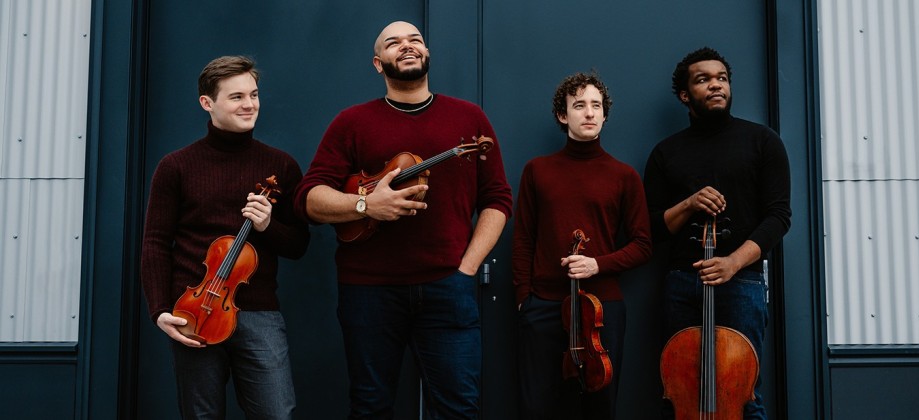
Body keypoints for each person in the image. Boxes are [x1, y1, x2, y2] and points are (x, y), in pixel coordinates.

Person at [293, 21, 512, 419]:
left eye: (415, 40)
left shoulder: (469, 118)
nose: (406, 46)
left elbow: (497, 199)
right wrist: (365, 206)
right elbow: (309, 198)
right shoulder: (352, 122)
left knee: (459, 409)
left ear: (427, 54)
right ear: (379, 64)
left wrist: (467, 267)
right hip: (368, 292)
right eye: (393, 43)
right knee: (370, 406)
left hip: (449, 286)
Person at [140, 55, 310, 419]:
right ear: (208, 102)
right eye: (236, 97)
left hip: (259, 313)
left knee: (277, 413)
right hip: (194, 312)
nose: (249, 104)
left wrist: (268, 227)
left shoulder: (280, 166)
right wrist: (159, 310)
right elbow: (155, 243)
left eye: (254, 94)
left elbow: (299, 245)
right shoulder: (176, 166)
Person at [643, 47, 792, 419]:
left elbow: (779, 217)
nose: (715, 85)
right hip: (682, 283)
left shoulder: (763, 141)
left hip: (741, 283)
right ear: (684, 94)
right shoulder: (666, 152)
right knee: (679, 392)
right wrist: (690, 203)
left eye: (722, 78)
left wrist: (732, 263)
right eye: (703, 79)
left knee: (743, 394)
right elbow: (651, 227)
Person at [512, 72, 652, 420]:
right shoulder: (538, 170)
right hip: (544, 305)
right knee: (539, 406)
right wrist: (523, 299)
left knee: (598, 406)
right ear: (563, 115)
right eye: (579, 105)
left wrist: (597, 265)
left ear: (604, 115)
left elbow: (643, 244)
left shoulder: (624, 176)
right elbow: (523, 237)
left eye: (596, 106)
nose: (589, 113)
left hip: (602, 309)